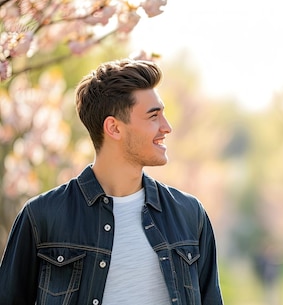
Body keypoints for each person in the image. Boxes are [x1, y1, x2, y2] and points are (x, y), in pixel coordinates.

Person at [0, 59, 223, 305]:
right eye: (153, 116)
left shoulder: (189, 215)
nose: (166, 127)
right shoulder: (41, 216)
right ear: (114, 128)